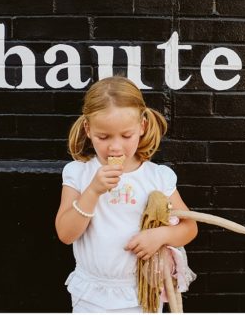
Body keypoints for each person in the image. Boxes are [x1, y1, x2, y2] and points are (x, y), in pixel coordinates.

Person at [55, 76, 197, 313]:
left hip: (142, 293)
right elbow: (66, 234)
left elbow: (190, 227)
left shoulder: (158, 176)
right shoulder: (79, 173)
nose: (115, 147)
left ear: (141, 127)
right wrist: (93, 191)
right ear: (88, 130)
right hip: (92, 294)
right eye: (104, 137)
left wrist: (161, 235)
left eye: (126, 135)